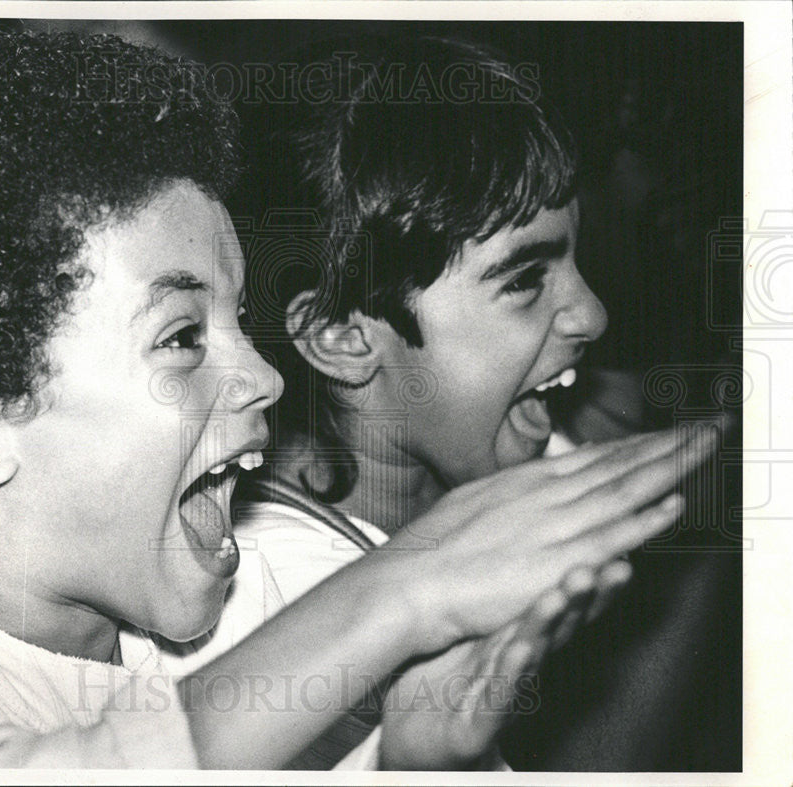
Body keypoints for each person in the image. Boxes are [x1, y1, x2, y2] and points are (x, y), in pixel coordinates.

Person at [0, 30, 710, 769]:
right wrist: (401, 588)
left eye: (240, 322)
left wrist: (421, 761)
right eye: (184, 335)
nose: (264, 374)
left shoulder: (241, 610)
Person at [123, 35, 706, 769]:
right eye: (525, 280)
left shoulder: (505, 438)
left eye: (574, 259)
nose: (592, 314)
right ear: (340, 337)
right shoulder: (260, 609)